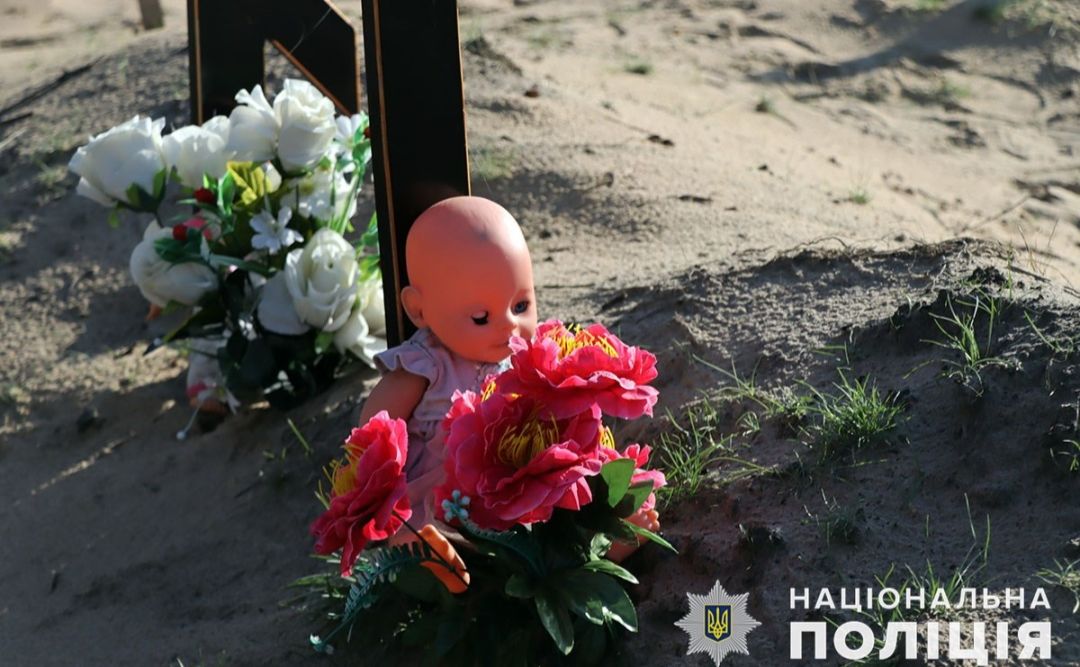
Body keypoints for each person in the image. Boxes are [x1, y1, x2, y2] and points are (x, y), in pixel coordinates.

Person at [358, 195, 538, 529]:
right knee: (424, 529)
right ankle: (430, 550)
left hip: (504, 486)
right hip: (438, 497)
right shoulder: (427, 364)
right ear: (419, 309)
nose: (510, 324)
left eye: (521, 306)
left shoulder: (521, 359)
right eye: (481, 317)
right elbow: (375, 426)